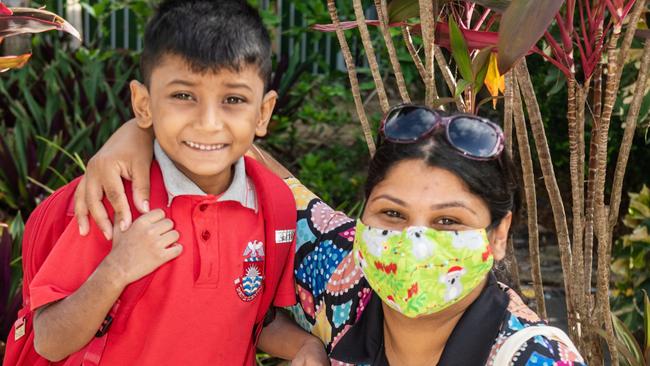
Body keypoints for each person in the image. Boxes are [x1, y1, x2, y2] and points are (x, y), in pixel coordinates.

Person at [75, 105, 586, 365]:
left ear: (498, 236)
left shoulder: (533, 357)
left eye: (448, 221)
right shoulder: (346, 280)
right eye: (392, 214)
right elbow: (241, 159)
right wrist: (141, 130)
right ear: (362, 219)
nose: (414, 243)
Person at [29, 1, 327, 364]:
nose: (208, 123)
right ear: (143, 104)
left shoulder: (274, 203)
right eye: (184, 95)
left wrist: (304, 345)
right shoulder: (115, 200)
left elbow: (252, 318)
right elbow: (49, 341)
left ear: (263, 113)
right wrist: (116, 270)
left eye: (233, 99)